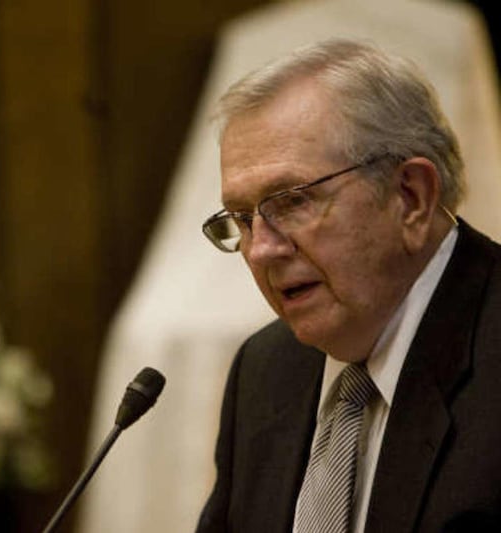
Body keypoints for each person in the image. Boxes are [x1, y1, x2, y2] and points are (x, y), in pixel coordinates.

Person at [196, 37, 501, 533]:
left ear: (411, 197)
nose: (260, 250)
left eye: (291, 201)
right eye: (243, 218)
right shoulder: (264, 370)